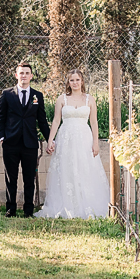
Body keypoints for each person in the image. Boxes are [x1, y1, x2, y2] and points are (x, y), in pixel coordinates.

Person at [36, 69, 110, 219]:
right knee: (67, 169)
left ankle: (87, 204)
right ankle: (67, 204)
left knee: (85, 168)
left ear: (82, 81)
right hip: (66, 138)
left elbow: (94, 123)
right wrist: (50, 140)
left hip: (84, 138)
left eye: (77, 80)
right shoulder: (62, 99)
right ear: (68, 83)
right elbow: (56, 121)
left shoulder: (90, 99)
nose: (75, 83)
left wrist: (96, 143)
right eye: (72, 80)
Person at [0, 61, 50, 218]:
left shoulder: (37, 96)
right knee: (10, 178)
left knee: (29, 178)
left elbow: (42, 121)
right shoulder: (7, 94)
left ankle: (28, 210)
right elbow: (1, 117)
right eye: (21, 73)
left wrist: (50, 140)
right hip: (10, 143)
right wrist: (1, 136)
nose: (24, 75)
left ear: (31, 76)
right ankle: (10, 209)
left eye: (27, 73)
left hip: (30, 143)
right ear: (16, 75)